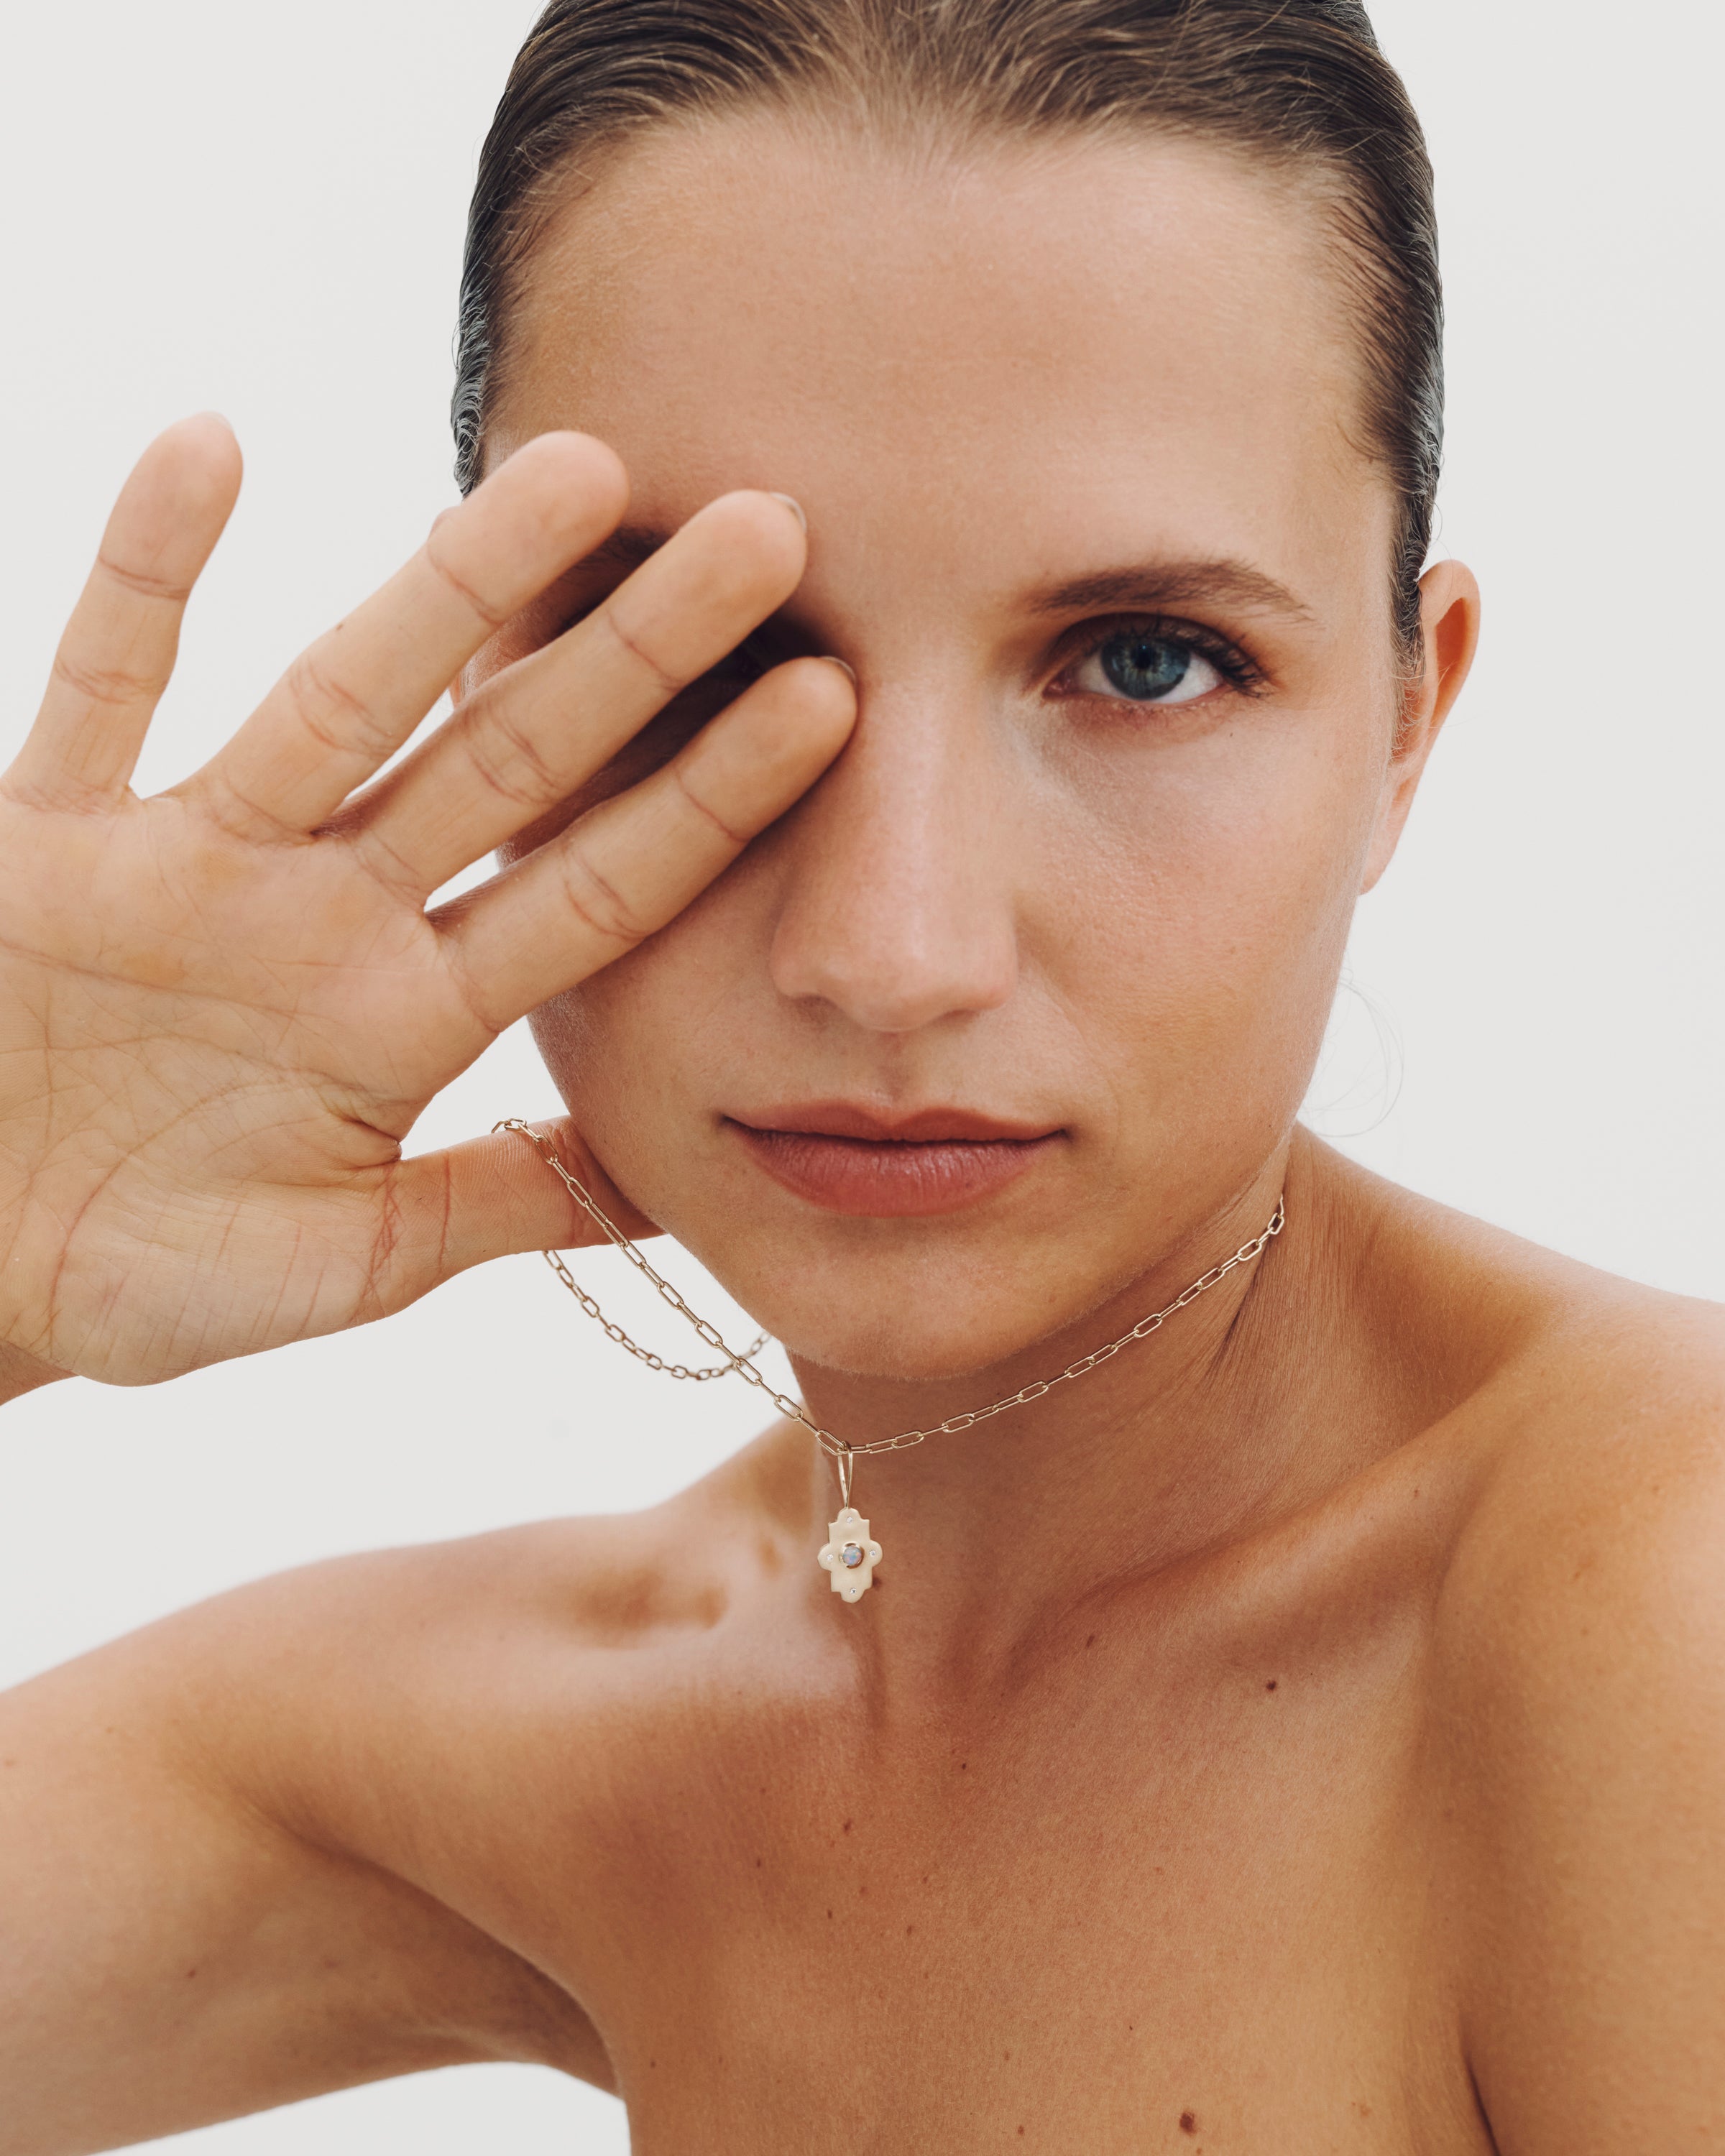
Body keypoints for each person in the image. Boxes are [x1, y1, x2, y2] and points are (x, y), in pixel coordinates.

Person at [2, 0, 1722, 2148]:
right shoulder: (569, 1725)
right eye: (703, 659)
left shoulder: (1662, 1622)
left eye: (1147, 663)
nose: (890, 952)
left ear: (1406, 718)